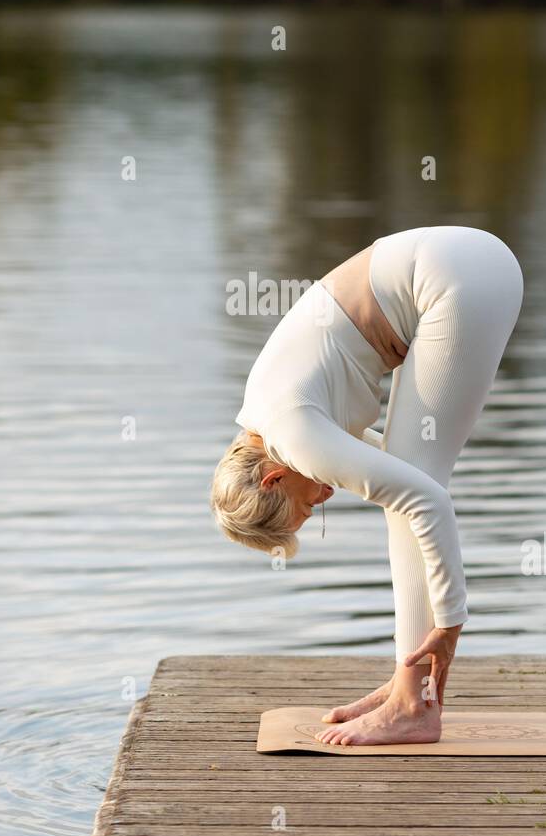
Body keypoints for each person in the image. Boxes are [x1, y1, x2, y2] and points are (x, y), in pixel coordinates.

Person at [211, 225, 523, 745]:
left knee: (414, 497)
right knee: (407, 485)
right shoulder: (267, 410)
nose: (324, 499)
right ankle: (409, 685)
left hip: (460, 280)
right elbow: (391, 468)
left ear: (273, 477)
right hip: (469, 264)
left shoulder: (293, 436)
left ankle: (413, 705)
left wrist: (448, 623)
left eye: (305, 509)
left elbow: (428, 499)